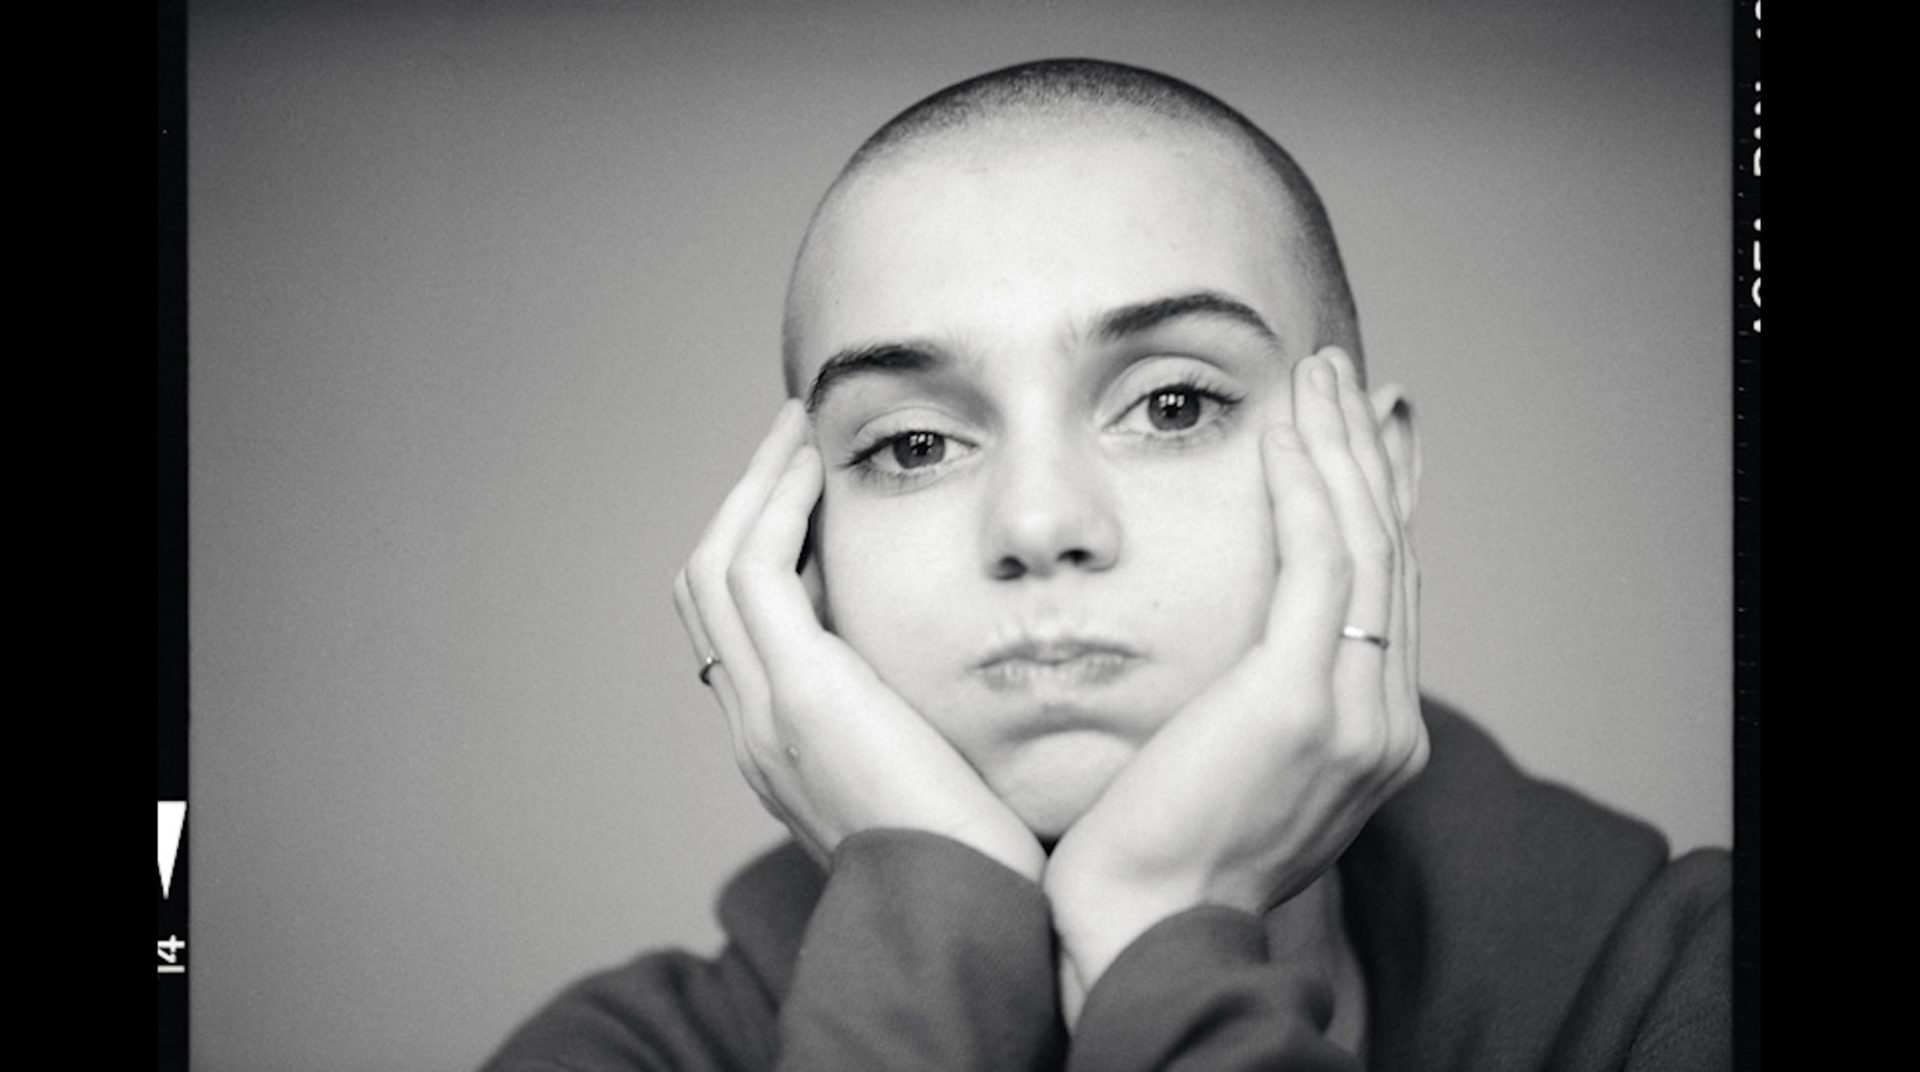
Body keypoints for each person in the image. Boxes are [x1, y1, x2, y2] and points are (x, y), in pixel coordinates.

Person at [481, 59, 1730, 1071]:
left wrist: (1159, 933)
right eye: (914, 444)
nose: (1038, 523)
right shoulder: (616, 1055)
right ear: (797, 552)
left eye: (1173, 406)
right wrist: (941, 928)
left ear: (1378, 483)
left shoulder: (1697, 991)